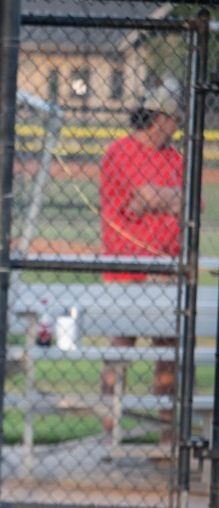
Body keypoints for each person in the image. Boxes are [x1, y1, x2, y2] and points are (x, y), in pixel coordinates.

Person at [99, 81, 183, 443]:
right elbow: (142, 196)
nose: (177, 126)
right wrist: (169, 198)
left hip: (168, 270)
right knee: (120, 349)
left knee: (169, 354)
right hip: (128, 270)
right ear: (160, 118)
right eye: (175, 119)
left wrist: (157, 199)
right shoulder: (121, 151)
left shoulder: (176, 158)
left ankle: (167, 436)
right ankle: (109, 432)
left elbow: (191, 202)